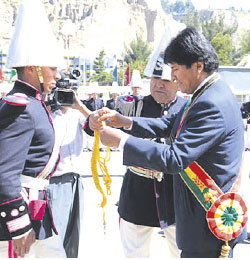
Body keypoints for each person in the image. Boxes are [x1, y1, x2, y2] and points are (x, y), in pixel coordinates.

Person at [89, 27, 248, 258]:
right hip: (199, 221)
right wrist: (126, 122)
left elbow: (175, 158)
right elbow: (173, 123)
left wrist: (122, 142)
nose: (172, 77)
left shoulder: (210, 102)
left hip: (204, 227)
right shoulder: (210, 92)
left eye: (175, 69)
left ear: (198, 66)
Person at [0, 0, 65, 258]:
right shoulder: (21, 106)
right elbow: (5, 172)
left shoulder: (34, 102)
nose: (57, 75)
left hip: (36, 208)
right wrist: (19, 227)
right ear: (31, 68)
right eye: (52, 68)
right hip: (18, 219)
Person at [116, 50, 186, 257]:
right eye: (155, 78)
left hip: (175, 195)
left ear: (177, 81)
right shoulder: (133, 106)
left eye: (165, 79)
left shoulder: (187, 109)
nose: (158, 84)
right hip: (137, 192)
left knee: (182, 252)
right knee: (135, 253)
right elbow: (96, 128)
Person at [46, 91, 91, 258]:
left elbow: (99, 124)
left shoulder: (78, 114)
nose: (65, 97)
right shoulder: (47, 113)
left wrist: (79, 106)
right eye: (61, 92)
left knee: (73, 234)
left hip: (76, 179)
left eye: (70, 92)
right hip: (55, 180)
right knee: (55, 238)